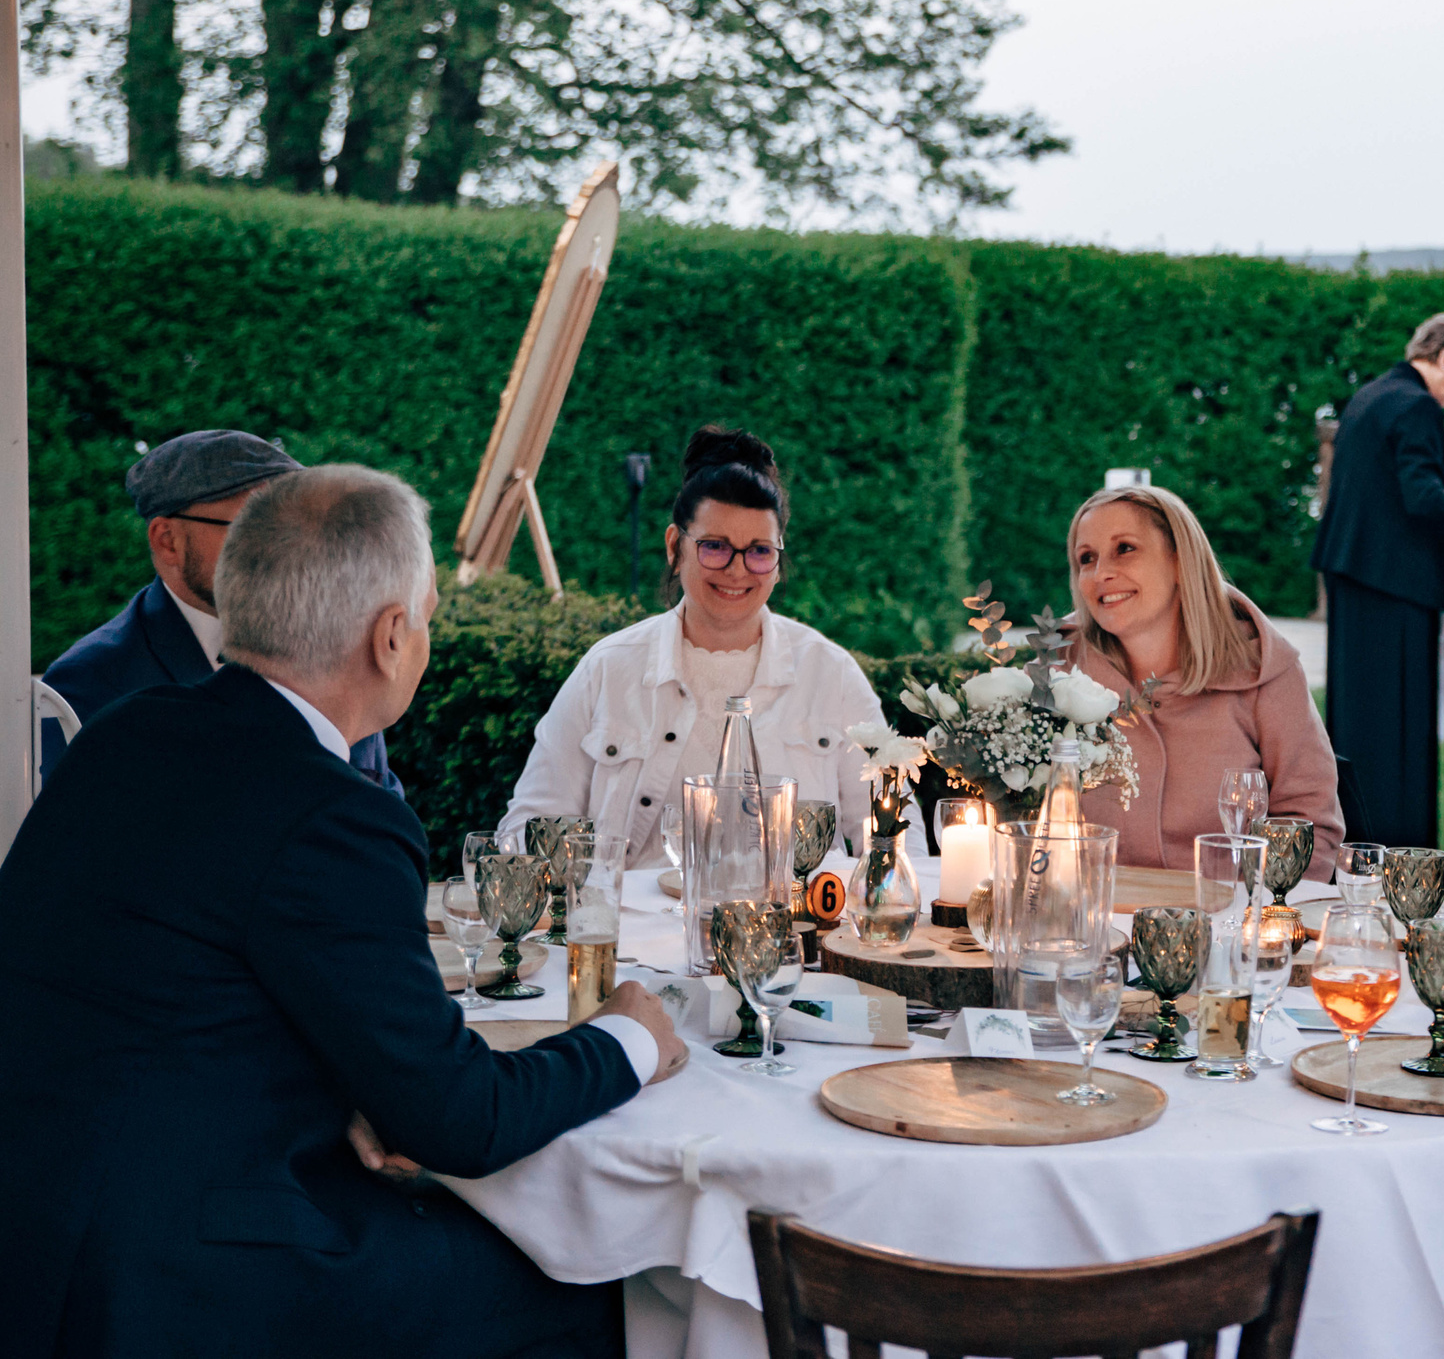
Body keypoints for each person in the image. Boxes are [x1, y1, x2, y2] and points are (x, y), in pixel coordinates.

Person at [0, 465, 682, 1358]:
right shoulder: (336, 815)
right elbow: (461, 1120)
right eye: (427, 617)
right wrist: (629, 1037)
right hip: (175, 1282)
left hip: (33, 1230)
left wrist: (361, 1090)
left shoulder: (123, 735)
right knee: (603, 1285)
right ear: (391, 637)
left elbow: (180, 991)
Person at [502, 426, 884, 870]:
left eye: (759, 551)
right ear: (674, 547)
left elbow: (894, 831)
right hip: (633, 913)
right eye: (714, 547)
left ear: (778, 562)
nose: (737, 570)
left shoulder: (831, 674)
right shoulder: (607, 669)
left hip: (793, 915)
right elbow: (529, 826)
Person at [42, 429, 401, 793]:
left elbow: (378, 803)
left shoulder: (336, 654)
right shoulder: (90, 685)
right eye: (253, 528)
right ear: (168, 542)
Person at [1062, 484, 1345, 876]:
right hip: (1090, 911)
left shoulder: (1262, 668)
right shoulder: (1056, 671)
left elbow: (1309, 826)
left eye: (1124, 548)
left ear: (1180, 560)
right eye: (1086, 558)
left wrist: (1256, 910)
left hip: (1229, 911)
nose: (1101, 573)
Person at [1310, 312, 1444, 846]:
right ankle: (1402, 846)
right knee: (1399, 727)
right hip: (1395, 587)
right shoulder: (1418, 406)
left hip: (1353, 575)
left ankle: (1353, 840)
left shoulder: (1371, 395)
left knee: (1355, 722)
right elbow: (1422, 498)